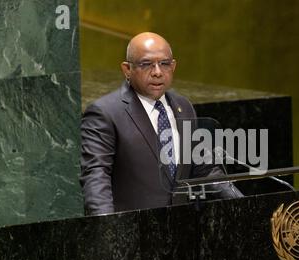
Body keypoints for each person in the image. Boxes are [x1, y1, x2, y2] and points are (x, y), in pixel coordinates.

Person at [80, 32, 242, 215]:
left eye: (164, 64)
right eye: (146, 64)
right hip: (132, 233)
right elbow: (96, 177)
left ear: (173, 67)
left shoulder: (184, 106)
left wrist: (242, 205)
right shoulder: (105, 112)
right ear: (127, 69)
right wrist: (109, 230)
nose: (157, 72)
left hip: (179, 231)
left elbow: (204, 169)